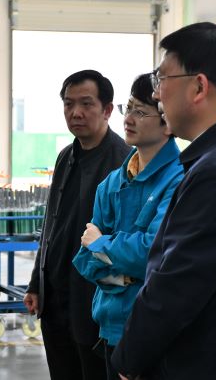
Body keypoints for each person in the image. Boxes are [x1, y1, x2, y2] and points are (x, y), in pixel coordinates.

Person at [112, 22, 216, 379]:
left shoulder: (214, 174)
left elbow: (176, 288)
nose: (156, 94)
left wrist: (128, 359)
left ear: (199, 87)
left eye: (162, 79)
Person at [71, 73, 183, 380]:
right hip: (110, 325)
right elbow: (85, 259)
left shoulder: (179, 180)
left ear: (167, 122)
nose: (128, 118)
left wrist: (101, 245)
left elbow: (152, 254)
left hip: (153, 330)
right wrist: (124, 276)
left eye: (141, 112)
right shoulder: (111, 184)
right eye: (128, 107)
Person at [23, 70, 131, 380]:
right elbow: (51, 224)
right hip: (56, 298)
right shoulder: (65, 156)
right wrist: (36, 282)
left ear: (107, 109)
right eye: (69, 104)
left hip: (95, 301)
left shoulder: (123, 161)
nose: (76, 113)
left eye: (86, 104)